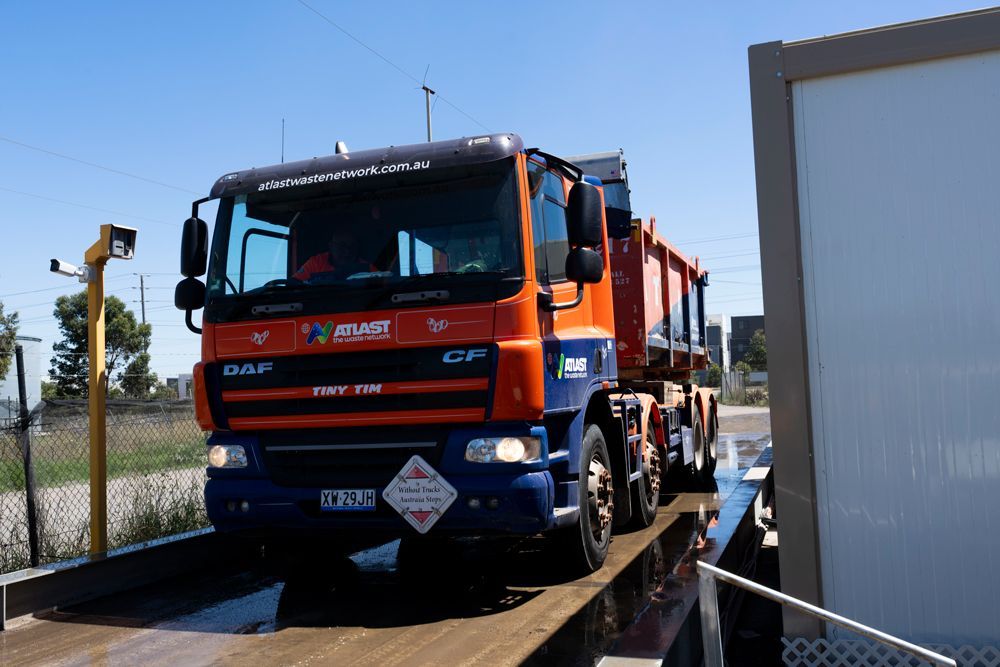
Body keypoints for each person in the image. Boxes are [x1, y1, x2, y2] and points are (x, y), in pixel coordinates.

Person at [293, 229, 375, 281]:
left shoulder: (366, 267)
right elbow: (295, 283)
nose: (347, 251)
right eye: (342, 246)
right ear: (331, 246)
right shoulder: (316, 263)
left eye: (352, 246)